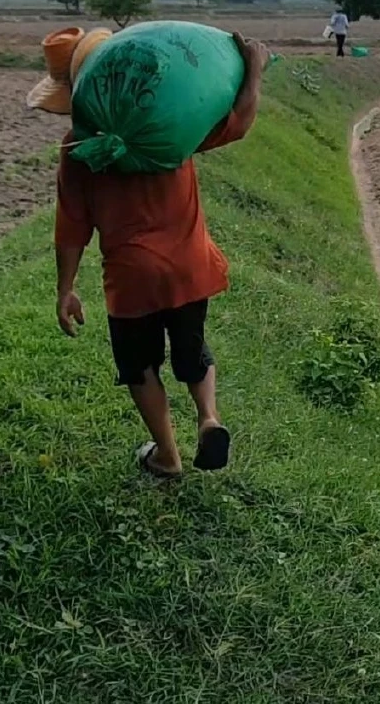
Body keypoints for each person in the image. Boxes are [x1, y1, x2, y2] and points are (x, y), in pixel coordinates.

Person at [50, 32, 270, 478]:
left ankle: (167, 456)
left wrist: (66, 289)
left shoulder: (77, 148)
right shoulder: (171, 127)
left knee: (139, 367)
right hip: (189, 267)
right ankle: (209, 419)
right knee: (193, 350)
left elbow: (72, 225)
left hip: (131, 280)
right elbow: (239, 122)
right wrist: (253, 71)